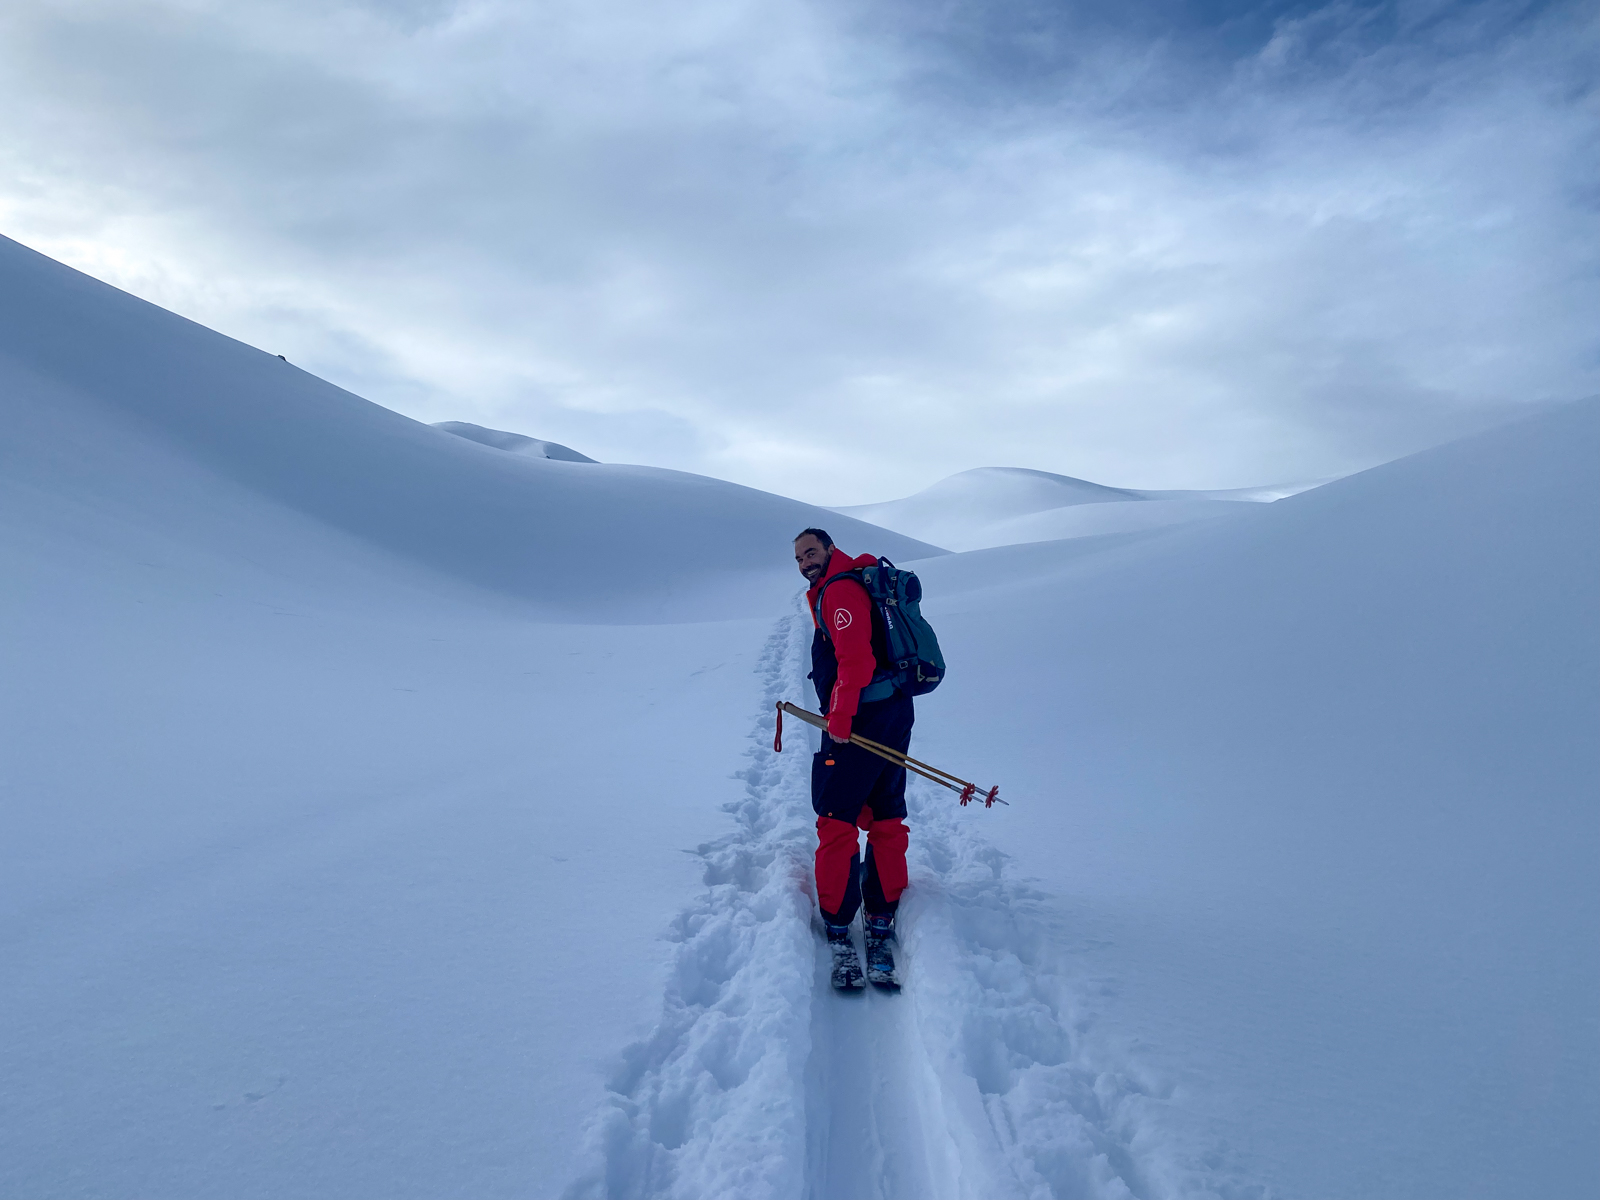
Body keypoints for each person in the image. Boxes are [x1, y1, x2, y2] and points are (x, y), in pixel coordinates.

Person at [794, 527, 911, 988]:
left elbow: (856, 661)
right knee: (886, 814)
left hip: (859, 722)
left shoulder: (841, 591)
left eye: (810, 552)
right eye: (799, 558)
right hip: (893, 713)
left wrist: (840, 717)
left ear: (830, 549)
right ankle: (881, 915)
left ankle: (840, 923)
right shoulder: (852, 581)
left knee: (836, 819)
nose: (805, 562)